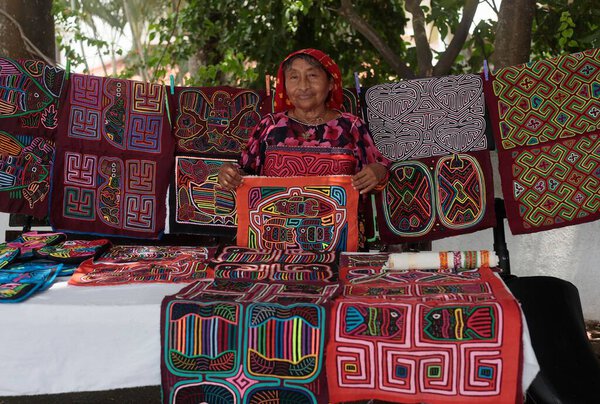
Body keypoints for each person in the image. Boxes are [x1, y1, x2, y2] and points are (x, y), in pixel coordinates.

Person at [218, 48, 390, 248]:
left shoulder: (351, 127)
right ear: (284, 85)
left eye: (312, 75)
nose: (303, 86)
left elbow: (380, 172)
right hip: (274, 245)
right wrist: (230, 174)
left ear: (331, 83)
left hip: (340, 245)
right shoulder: (270, 126)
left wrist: (377, 172)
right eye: (294, 77)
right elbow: (244, 173)